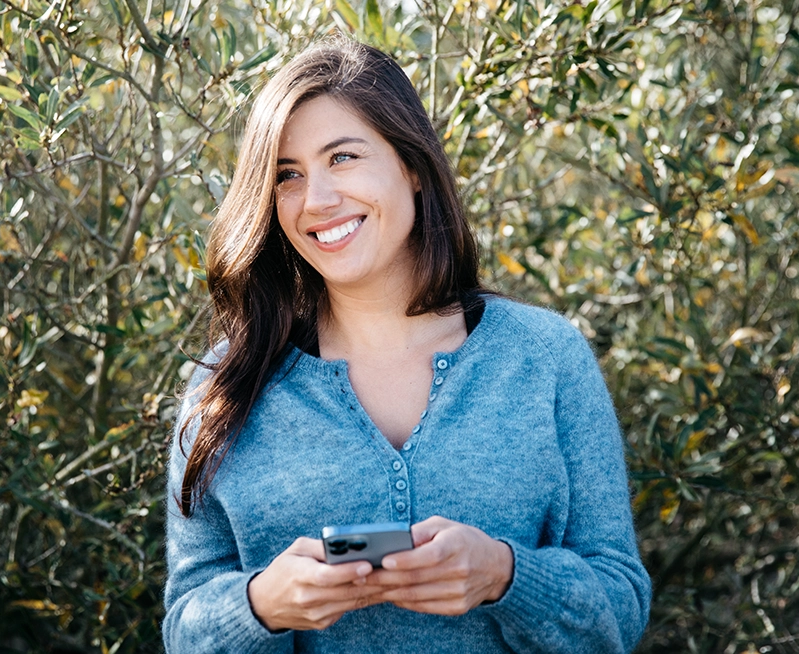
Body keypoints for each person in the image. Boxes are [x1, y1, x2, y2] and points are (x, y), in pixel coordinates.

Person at [163, 38, 651, 653]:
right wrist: (262, 606)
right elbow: (185, 631)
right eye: (287, 175)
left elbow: (620, 611)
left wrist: (506, 575)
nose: (316, 200)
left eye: (342, 157)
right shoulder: (226, 386)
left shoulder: (545, 358)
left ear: (413, 167)